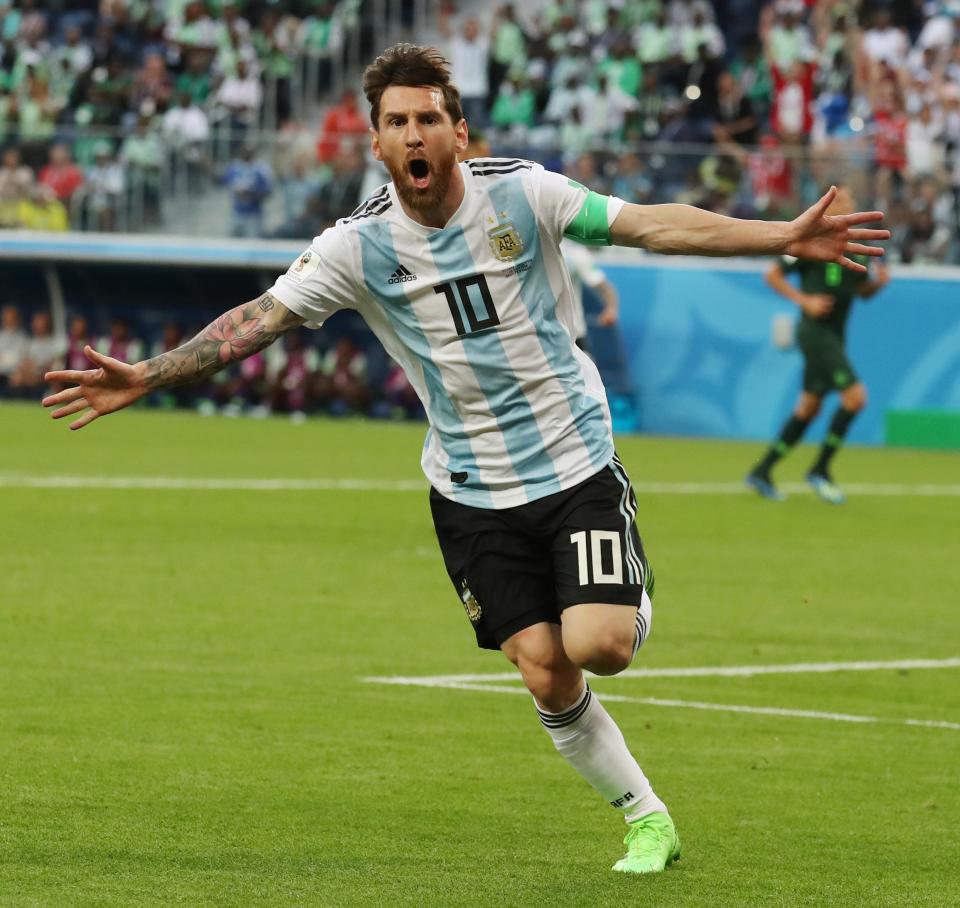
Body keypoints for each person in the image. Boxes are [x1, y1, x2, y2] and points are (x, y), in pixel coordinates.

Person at [42, 44, 888, 875]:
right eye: (396, 122)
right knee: (543, 670)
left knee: (600, 644)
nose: (414, 135)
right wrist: (146, 377)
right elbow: (255, 321)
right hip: (470, 488)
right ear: (375, 143)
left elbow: (650, 225)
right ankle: (647, 819)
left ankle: (626, 592)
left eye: (428, 119)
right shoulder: (355, 248)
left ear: (460, 131)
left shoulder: (525, 194)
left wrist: (779, 233)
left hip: (572, 460)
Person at [746, 186, 890, 505]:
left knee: (809, 408)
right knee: (855, 398)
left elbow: (861, 293)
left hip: (835, 335)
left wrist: (877, 285)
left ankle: (762, 470)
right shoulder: (812, 239)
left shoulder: (856, 246)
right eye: (841, 199)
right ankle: (821, 469)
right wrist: (804, 300)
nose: (848, 203)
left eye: (852, 199)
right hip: (815, 332)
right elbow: (773, 275)